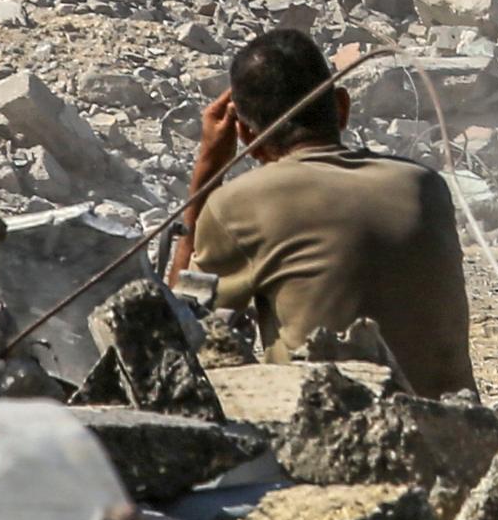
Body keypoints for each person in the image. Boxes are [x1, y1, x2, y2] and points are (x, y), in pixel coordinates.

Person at [171, 26, 473, 395]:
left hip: (326, 434)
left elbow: (176, 334)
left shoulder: (237, 204)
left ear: (247, 137)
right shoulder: (426, 186)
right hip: (459, 429)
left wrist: (207, 171)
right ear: (342, 107)